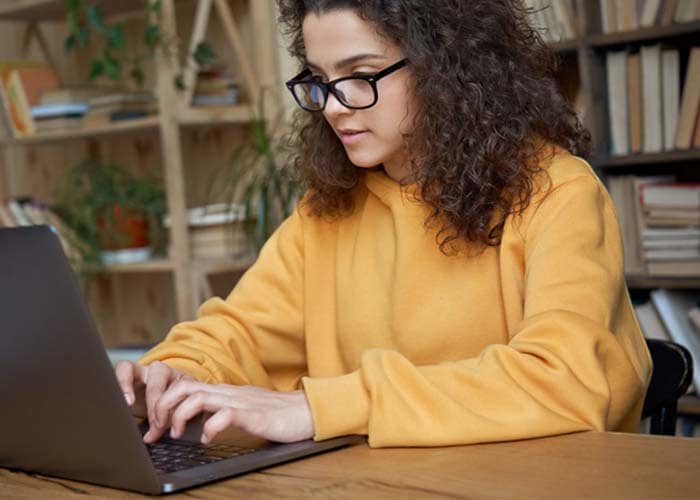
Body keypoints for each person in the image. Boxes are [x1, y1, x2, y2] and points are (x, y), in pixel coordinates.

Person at [116, 0, 652, 448]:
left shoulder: (559, 193)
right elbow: (240, 334)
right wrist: (172, 376)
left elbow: (566, 382)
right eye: (321, 81)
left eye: (362, 76)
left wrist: (319, 408)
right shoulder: (325, 212)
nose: (333, 106)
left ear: (449, 67)